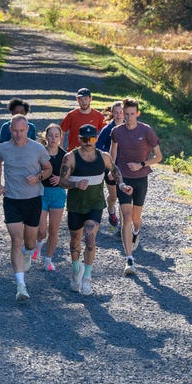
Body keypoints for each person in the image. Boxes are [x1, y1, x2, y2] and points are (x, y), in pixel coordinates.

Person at [0, 114, 53, 301]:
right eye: (15, 131)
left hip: (33, 199)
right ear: (10, 130)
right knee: (16, 241)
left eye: (21, 131)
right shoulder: (4, 148)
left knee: (29, 242)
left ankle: (28, 252)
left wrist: (38, 178)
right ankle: (21, 286)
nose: (18, 135)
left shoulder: (37, 148)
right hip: (12, 200)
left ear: (27, 129)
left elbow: (48, 169)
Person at [60, 123, 119, 296]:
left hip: (95, 205)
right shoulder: (70, 158)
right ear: (79, 139)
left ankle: (87, 277)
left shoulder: (104, 156)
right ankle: (75, 270)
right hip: (75, 206)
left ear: (96, 138)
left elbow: (115, 171)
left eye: (92, 138)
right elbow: (62, 181)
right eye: (84, 139)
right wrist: (76, 184)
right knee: (75, 241)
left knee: (91, 239)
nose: (88, 142)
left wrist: (121, 184)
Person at [109, 98, 163, 277]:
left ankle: (136, 231)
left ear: (137, 114)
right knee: (126, 217)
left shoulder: (146, 130)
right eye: (126, 114)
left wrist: (141, 164)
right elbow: (113, 155)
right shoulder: (117, 131)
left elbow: (159, 157)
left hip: (140, 178)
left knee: (135, 218)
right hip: (124, 178)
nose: (129, 117)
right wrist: (112, 170)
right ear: (122, 114)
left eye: (133, 114)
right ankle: (129, 259)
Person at [33, 124, 67, 272]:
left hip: (58, 195)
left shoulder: (65, 156)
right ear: (46, 137)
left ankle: (48, 260)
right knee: (41, 229)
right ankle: (38, 244)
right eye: (50, 135)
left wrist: (61, 179)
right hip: (41, 193)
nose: (53, 138)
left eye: (56, 136)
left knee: (53, 229)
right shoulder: (40, 153)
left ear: (61, 138)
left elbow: (70, 177)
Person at [95, 100, 124, 229]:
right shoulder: (107, 129)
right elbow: (97, 146)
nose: (118, 115)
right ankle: (111, 209)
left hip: (125, 167)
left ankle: (125, 226)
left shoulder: (128, 127)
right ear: (112, 113)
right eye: (116, 112)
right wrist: (109, 153)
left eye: (121, 112)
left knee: (126, 196)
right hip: (111, 166)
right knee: (114, 196)